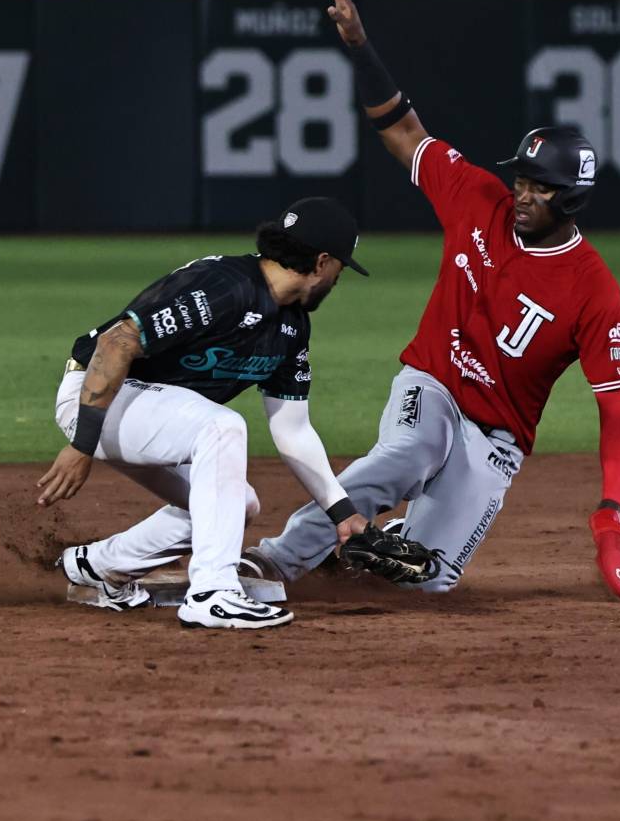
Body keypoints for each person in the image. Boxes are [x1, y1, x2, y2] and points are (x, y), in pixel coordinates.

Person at [243, 0, 620, 598]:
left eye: (539, 186)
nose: (521, 192)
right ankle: (273, 561)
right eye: (521, 177)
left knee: (427, 581)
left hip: (499, 438)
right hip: (432, 385)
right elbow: (403, 130)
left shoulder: (593, 289)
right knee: (407, 455)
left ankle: (373, 543)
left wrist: (612, 512)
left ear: (570, 200)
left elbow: (617, 406)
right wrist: (358, 45)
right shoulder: (476, 197)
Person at [37, 197, 371, 630]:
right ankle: (213, 592)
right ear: (322, 262)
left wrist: (343, 515)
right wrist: (83, 442)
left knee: (237, 503)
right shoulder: (223, 286)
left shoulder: (291, 326)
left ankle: (98, 566)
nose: (338, 279)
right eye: (341, 268)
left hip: (155, 411)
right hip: (98, 399)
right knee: (222, 426)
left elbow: (292, 428)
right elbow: (116, 343)